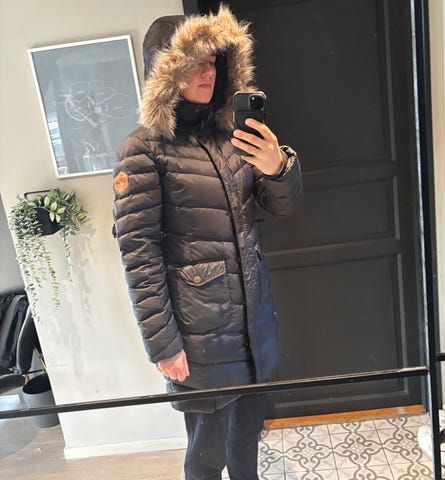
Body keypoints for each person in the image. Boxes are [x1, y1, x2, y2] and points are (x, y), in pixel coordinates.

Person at [113, 5, 303, 480]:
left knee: (246, 446)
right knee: (205, 460)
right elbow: (139, 253)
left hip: (253, 325)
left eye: (214, 61)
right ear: (165, 70)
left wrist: (278, 167)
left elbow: (282, 207)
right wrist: (163, 344)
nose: (208, 71)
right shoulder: (143, 149)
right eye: (194, 61)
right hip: (199, 339)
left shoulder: (233, 138)